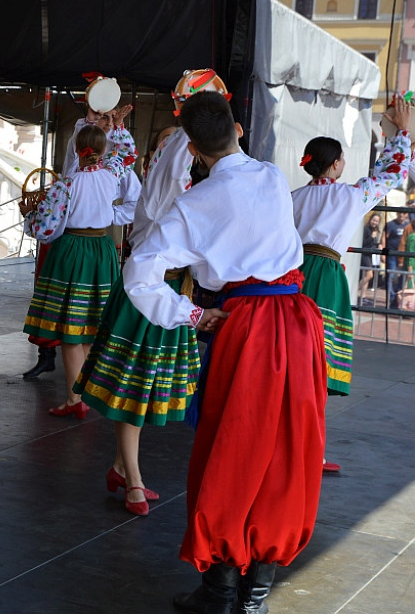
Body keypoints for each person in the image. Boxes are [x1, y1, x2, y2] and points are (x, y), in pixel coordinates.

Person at [123, 92, 326, 614]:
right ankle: (255, 590)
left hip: (246, 330)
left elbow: (139, 271)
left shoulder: (192, 207)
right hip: (298, 323)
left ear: (190, 146)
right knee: (285, 455)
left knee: (230, 450)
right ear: (238, 127)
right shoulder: (272, 177)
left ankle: (221, 590)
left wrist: (191, 315)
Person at [72, 121, 200, 517]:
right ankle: (135, 479)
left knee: (143, 391)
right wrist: (194, 120)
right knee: (132, 391)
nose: (174, 150)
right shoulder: (157, 193)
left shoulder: (184, 195)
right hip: (145, 298)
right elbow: (174, 162)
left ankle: (120, 467)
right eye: (165, 143)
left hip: (173, 296)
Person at [292, 100, 412, 473]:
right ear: (335, 164)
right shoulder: (348, 196)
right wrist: (401, 135)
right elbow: (390, 174)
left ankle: (293, 444)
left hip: (291, 275)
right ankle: (312, 450)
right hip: (326, 277)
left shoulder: (292, 197)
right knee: (319, 363)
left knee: (293, 358)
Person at [21, 123, 139, 418]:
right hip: (102, 249)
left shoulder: (67, 184)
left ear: (76, 149)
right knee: (88, 328)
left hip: (73, 250)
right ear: (103, 150)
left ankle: (76, 400)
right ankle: (81, 394)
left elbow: (45, 227)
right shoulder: (112, 173)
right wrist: (119, 127)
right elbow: (128, 155)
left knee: (71, 330)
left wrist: (30, 215)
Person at [384, 210, 409, 307]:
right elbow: (384, 237)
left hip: (403, 254)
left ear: (406, 215)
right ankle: (391, 296)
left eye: (403, 213)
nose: (401, 215)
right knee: (392, 274)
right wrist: (383, 252)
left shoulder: (408, 226)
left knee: (402, 276)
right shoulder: (391, 224)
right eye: (400, 213)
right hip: (392, 253)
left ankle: (397, 297)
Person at [359, 213, 384, 305]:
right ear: (370, 220)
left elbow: (371, 244)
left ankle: (363, 297)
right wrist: (371, 237)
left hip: (369, 255)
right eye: (373, 220)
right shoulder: (366, 229)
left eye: (377, 221)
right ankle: (353, 291)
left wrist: (378, 245)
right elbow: (363, 243)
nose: (375, 223)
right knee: (369, 275)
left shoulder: (374, 230)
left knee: (367, 276)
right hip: (364, 255)